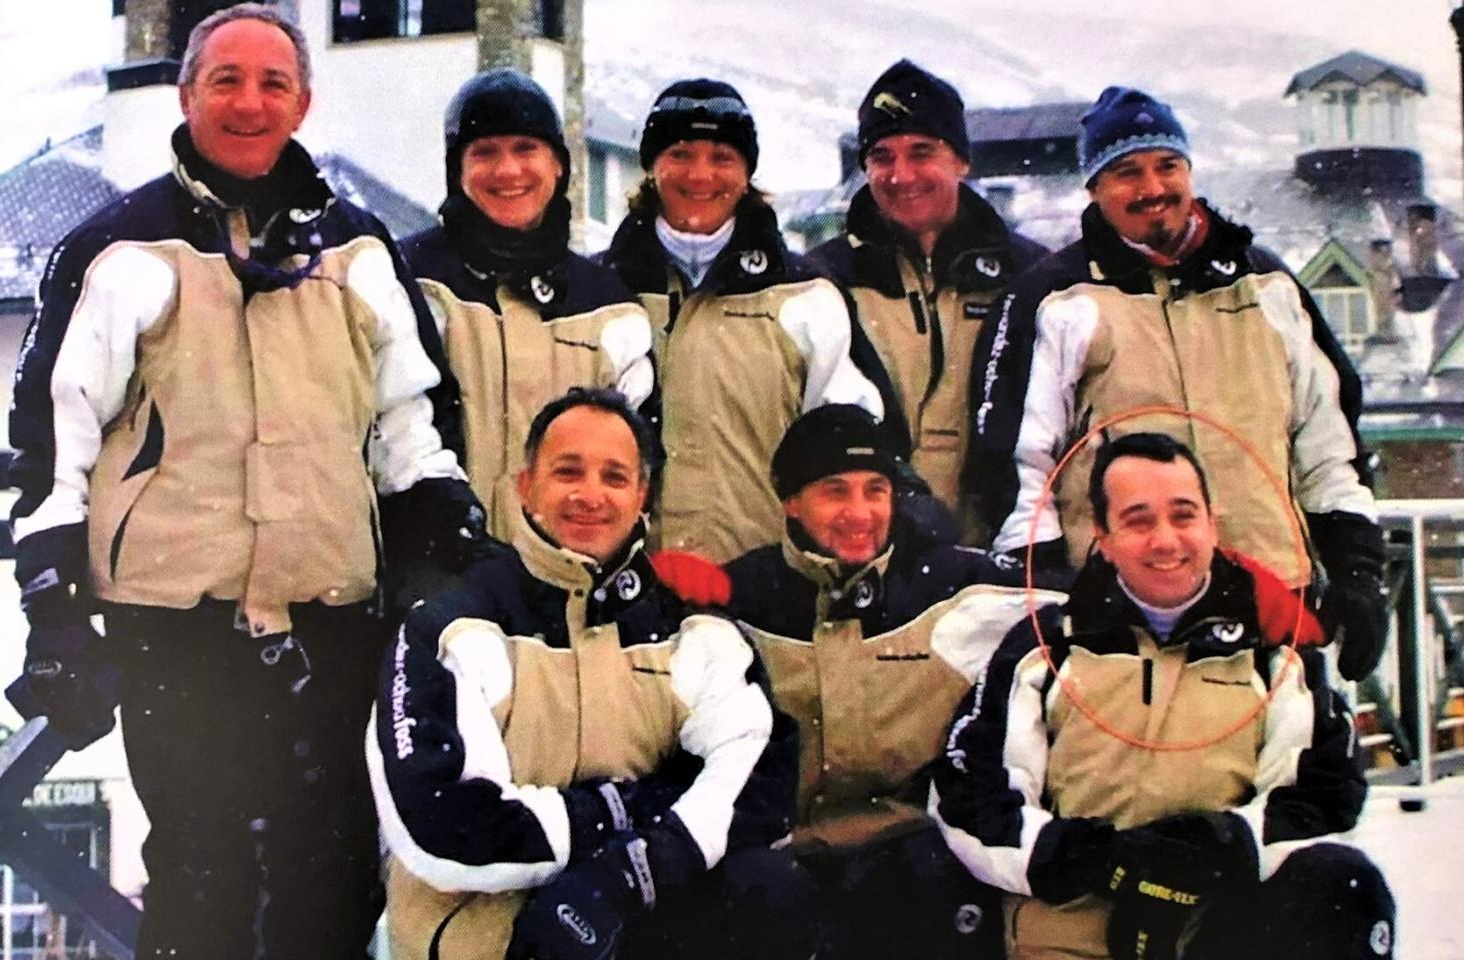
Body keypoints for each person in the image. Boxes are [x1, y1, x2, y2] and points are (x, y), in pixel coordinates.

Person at [3, 5, 478, 957]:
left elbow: (412, 428)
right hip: (179, 626)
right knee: (199, 872)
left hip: (332, 618)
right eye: (226, 81)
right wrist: (54, 609)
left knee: (336, 875)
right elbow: (54, 441)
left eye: (272, 83)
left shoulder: (358, 250)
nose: (250, 103)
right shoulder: (119, 248)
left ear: (303, 100)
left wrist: (439, 567)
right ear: (187, 96)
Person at [369, 388, 813, 960]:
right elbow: (442, 825)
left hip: (627, 915)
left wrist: (626, 875)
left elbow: (758, 775)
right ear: (526, 488)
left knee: (771, 893)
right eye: (567, 472)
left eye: (614, 476)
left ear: (642, 496)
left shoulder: (687, 626)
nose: (590, 496)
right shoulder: (450, 627)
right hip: (480, 934)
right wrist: (620, 812)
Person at [968, 85, 1388, 681]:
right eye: (1125, 172)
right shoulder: (1054, 298)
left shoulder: (1268, 286)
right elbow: (1018, 467)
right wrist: (1054, 592)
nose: (1152, 188)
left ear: (1189, 170)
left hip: (1273, 610)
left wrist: (1357, 572)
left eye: (1167, 166)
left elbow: (1328, 448)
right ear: (1094, 188)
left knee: (1295, 770)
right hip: (1125, 621)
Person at [932, 432, 1394, 960]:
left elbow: (1325, 792)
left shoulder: (1274, 650)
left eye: (1183, 515)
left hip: (1217, 931)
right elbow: (971, 793)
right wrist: (1093, 858)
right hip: (1069, 935)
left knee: (1343, 885)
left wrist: (1223, 845)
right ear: (1102, 537)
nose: (1166, 541)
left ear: (1211, 523)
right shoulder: (1045, 647)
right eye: (1138, 520)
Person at [718, 404, 1050, 960]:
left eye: (876, 490)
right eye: (834, 491)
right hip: (780, 855)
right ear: (790, 502)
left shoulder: (948, 584)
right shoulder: (740, 596)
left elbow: (1079, 601)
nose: (860, 512)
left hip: (905, 853)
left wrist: (1230, 584)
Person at [600, 78, 883, 565]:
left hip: (765, 590)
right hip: (626, 587)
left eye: (723, 158)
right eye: (681, 154)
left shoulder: (805, 294)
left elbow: (853, 444)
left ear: (748, 171)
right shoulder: (599, 290)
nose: (701, 175)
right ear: (652, 165)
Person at [396, 68, 652, 559]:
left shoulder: (609, 303)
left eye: (525, 149)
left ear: (558, 164)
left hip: (573, 577)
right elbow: (392, 426)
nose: (508, 171)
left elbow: (636, 455)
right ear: (457, 169)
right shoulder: (410, 279)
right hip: (436, 571)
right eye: (485, 152)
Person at [810, 60, 1047, 544]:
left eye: (922, 152)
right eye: (882, 156)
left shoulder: (1032, 277)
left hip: (1004, 545)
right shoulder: (824, 279)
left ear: (961, 160)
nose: (901, 175)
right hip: (869, 548)